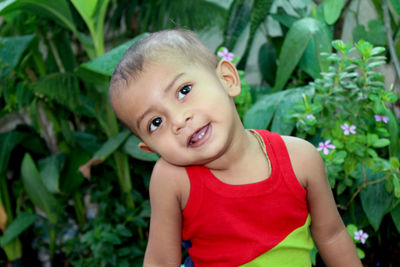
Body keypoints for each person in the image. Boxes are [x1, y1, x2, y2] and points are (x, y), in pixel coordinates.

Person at [109, 29, 362, 266]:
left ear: (227, 79)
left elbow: (332, 235)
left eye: (184, 90)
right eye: (156, 123)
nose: (178, 120)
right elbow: (161, 262)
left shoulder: (300, 159)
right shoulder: (173, 181)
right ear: (152, 149)